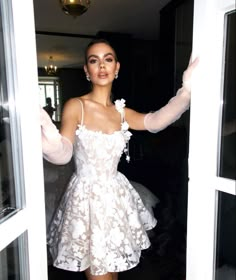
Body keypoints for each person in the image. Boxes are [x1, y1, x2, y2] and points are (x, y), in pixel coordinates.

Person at [40, 38, 199, 280]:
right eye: (94, 61)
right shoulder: (76, 106)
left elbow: (156, 121)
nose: (102, 66)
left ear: (117, 68)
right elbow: (64, 153)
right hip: (87, 202)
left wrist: (186, 92)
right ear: (86, 70)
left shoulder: (121, 112)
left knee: (112, 274)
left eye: (108, 59)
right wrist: (51, 144)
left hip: (115, 199)